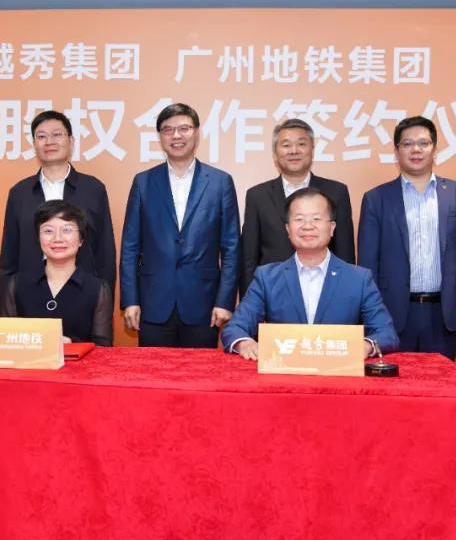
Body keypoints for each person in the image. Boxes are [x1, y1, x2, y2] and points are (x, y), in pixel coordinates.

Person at [357, 116, 456, 360]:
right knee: (394, 382)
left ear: (434, 149)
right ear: (397, 152)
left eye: (423, 143)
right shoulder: (376, 198)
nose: (416, 149)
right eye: (407, 144)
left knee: (440, 381)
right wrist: (372, 315)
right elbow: (367, 264)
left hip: (445, 313)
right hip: (392, 314)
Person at [222, 188, 399, 360]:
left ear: (332, 227)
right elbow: (235, 328)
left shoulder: (359, 279)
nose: (308, 226)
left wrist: (366, 346)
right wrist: (244, 343)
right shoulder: (267, 277)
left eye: (316, 219)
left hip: (338, 372)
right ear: (288, 229)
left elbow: (386, 333)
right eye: (299, 219)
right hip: (284, 372)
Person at [120, 102, 240, 348]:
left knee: (199, 371)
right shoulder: (143, 182)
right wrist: (130, 300)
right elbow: (130, 246)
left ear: (196, 132)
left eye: (184, 128)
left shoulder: (220, 182)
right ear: (160, 137)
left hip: (204, 304)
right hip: (153, 303)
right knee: (153, 371)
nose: (176, 135)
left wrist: (224, 301)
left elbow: (231, 248)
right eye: (168, 129)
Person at [0, 110, 116, 311]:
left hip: (82, 294)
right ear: (34, 144)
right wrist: (7, 307)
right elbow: (9, 256)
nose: (49, 141)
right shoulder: (20, 192)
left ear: (71, 141)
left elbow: (104, 252)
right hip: (30, 295)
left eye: (57, 134)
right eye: (41, 136)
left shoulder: (93, 189)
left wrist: (104, 302)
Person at [239, 118, 355, 296]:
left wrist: (346, 298)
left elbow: (345, 252)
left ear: (312, 150)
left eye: (301, 144)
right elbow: (249, 258)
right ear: (275, 153)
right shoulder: (257, 195)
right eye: (286, 145)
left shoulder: (336, 192)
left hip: (325, 293)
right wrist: (250, 300)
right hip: (273, 293)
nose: (294, 151)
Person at [0, 200, 113, 346]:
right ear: (38, 238)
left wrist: (72, 345)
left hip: (77, 361)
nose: (57, 239)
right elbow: (5, 340)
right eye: (48, 231)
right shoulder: (17, 284)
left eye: (67, 230)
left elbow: (103, 348)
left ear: (81, 239)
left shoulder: (97, 289)